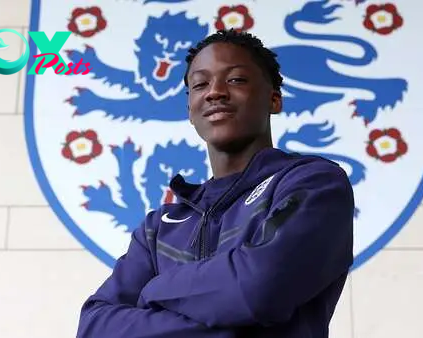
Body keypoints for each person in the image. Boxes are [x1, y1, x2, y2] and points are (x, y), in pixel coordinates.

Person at [76, 29, 354, 338]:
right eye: (200, 84)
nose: (215, 92)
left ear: (274, 99)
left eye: (235, 80)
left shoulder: (314, 183)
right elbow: (95, 326)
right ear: (190, 110)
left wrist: (154, 289)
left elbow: (259, 288)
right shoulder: (159, 229)